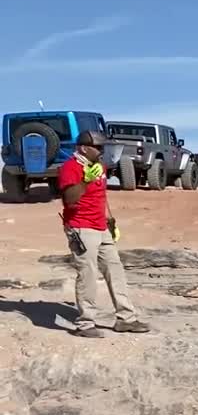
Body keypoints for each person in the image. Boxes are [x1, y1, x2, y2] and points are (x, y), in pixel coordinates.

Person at [57, 131, 150, 338]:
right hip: (81, 227)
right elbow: (69, 200)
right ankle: (86, 323)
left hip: (100, 226)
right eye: (98, 148)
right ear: (83, 148)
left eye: (102, 148)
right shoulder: (70, 168)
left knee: (115, 271)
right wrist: (85, 181)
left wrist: (110, 221)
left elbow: (100, 197)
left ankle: (126, 319)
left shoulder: (100, 167)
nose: (101, 151)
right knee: (87, 275)